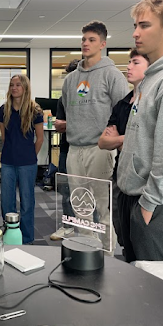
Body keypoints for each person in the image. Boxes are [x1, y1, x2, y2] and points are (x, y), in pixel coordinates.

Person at [117, 0, 163, 269]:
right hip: (136, 196)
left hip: (159, 203)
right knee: (139, 279)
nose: (135, 33)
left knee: (162, 287)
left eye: (144, 25)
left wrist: (149, 204)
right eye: (135, 25)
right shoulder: (152, 78)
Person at [57, 21, 129, 251]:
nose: (86, 44)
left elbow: (122, 112)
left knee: (102, 206)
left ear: (103, 44)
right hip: (74, 150)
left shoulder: (112, 75)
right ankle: (88, 250)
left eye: (91, 40)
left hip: (100, 150)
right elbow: (70, 111)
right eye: (84, 40)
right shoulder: (70, 80)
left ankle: (108, 254)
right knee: (81, 206)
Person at [98, 49, 150, 247]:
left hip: (143, 180)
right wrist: (126, 139)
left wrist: (118, 139)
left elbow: (147, 140)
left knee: (142, 240)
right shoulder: (121, 104)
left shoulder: (150, 102)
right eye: (129, 62)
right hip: (121, 174)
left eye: (135, 63)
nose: (128, 67)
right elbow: (103, 142)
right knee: (123, 234)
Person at [0, 75, 44, 244]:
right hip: (8, 161)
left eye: (18, 85)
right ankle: (10, 235)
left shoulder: (35, 110)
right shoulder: (4, 110)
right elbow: (4, 137)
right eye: (11, 85)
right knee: (7, 202)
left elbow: (39, 138)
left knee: (27, 201)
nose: (14, 88)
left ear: (25, 88)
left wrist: (31, 155)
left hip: (27, 163)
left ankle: (27, 238)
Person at [50, 60, 78, 241]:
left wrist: (71, 125)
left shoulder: (95, 98)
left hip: (91, 150)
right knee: (66, 190)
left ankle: (91, 228)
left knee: (91, 192)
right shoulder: (63, 99)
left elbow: (101, 125)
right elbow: (59, 126)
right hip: (67, 149)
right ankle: (68, 225)